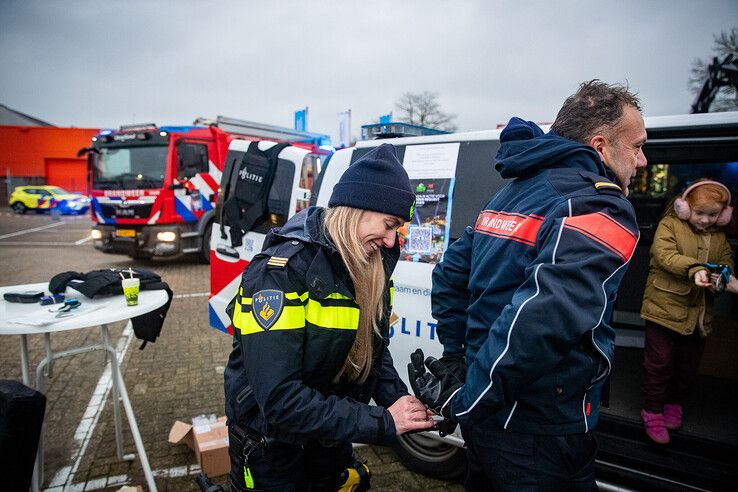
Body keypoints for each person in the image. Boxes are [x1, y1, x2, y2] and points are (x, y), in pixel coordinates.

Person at [420, 80, 646, 491]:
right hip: (540, 428)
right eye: (636, 146)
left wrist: (459, 361)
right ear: (600, 146)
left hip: (489, 418)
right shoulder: (597, 203)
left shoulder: (512, 192)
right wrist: (472, 396)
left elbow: (450, 275)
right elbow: (542, 316)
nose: (643, 160)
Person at [223, 143, 434, 491]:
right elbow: (279, 400)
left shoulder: (367, 267)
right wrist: (382, 421)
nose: (391, 239)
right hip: (273, 448)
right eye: (389, 224)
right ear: (359, 208)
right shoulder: (280, 274)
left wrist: (399, 401)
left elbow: (369, 352)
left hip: (328, 437)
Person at [640, 179, 734, 444]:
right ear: (684, 207)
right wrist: (695, 268)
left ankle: (674, 404)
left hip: (698, 317)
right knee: (658, 365)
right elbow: (665, 255)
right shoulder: (670, 226)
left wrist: (721, 278)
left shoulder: (718, 236)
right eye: (699, 213)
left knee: (686, 367)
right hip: (663, 311)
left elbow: (726, 261)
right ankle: (653, 410)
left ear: (723, 215)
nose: (705, 220)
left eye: (713, 215)